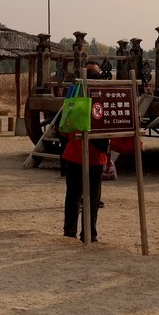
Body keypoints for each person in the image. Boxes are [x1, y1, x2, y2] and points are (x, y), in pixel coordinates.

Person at [61, 62, 109, 242]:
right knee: (88, 198)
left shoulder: (75, 96)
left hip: (78, 153)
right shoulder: (103, 98)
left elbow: (64, 129)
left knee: (75, 196)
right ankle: (87, 234)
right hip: (89, 155)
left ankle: (72, 232)